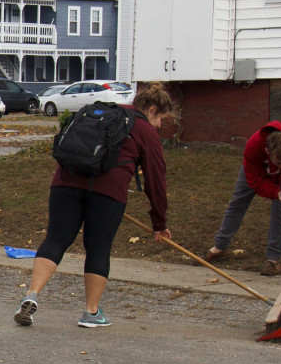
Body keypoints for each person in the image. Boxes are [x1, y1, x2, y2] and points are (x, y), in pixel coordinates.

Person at [14, 84, 178, 329]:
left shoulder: (96, 112)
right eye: (161, 119)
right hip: (108, 192)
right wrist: (159, 223)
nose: (160, 126)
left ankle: (32, 294)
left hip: (65, 182)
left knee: (56, 239)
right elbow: (156, 181)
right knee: (98, 248)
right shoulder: (144, 128)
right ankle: (91, 313)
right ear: (152, 109)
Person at [203, 122, 281, 275]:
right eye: (280, 162)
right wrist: (275, 192)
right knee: (238, 201)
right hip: (257, 170)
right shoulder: (254, 146)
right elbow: (255, 181)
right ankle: (220, 246)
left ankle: (273, 259)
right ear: (267, 151)